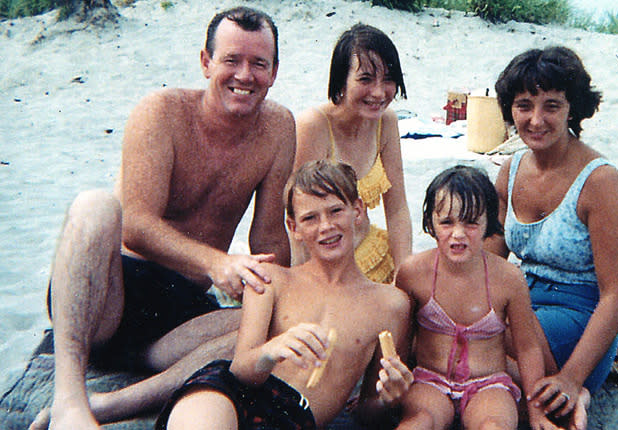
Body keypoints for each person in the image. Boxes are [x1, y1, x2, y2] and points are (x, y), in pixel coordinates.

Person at [30, 7, 295, 430]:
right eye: (231, 60)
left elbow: (269, 238)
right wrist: (217, 263)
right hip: (111, 295)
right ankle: (69, 401)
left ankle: (109, 405)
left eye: (258, 64)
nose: (245, 75)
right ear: (206, 62)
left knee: (275, 323)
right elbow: (135, 224)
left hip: (179, 318)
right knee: (94, 207)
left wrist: (291, 289)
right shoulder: (162, 112)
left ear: (274, 71)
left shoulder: (279, 128)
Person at [155, 159, 413, 430]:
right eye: (310, 218)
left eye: (335, 211)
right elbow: (241, 369)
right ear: (293, 227)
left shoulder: (390, 305)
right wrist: (271, 350)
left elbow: (367, 414)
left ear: (357, 210)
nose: (326, 226)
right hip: (228, 393)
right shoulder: (273, 279)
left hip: (293, 418)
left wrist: (389, 399)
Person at [485, 46, 618, 430]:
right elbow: (490, 259)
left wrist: (571, 377)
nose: (536, 120)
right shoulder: (511, 170)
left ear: (573, 108)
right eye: (523, 105)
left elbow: (616, 293)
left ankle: (570, 391)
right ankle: (556, 400)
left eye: (551, 105)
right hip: (523, 301)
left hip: (579, 317)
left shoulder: (600, 182)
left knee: (475, 349)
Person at [395, 165, 557, 430]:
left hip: (490, 385)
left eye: (471, 222)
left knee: (493, 425)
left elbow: (527, 348)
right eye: (447, 222)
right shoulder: (413, 273)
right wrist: (379, 395)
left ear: (488, 224)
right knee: (420, 422)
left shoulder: (508, 279)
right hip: (429, 381)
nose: (458, 234)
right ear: (430, 223)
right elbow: (399, 343)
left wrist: (536, 410)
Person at [293, 23, 412, 283]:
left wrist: (403, 278)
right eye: (365, 79)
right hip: (326, 269)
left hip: (374, 256)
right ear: (341, 80)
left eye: (388, 79)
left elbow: (398, 208)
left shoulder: (386, 122)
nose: (379, 93)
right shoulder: (314, 125)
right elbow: (296, 221)